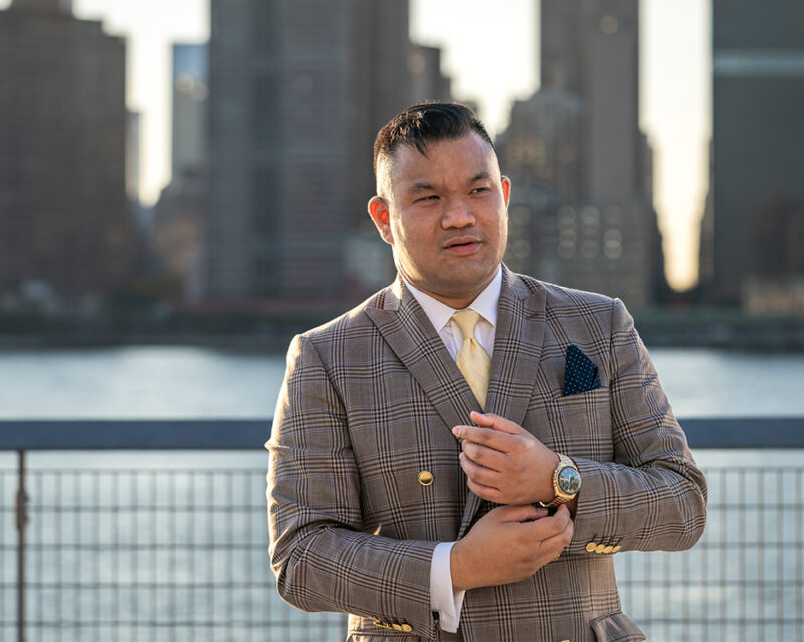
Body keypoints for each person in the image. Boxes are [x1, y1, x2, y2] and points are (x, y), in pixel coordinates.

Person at [267, 102, 707, 642]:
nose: (459, 216)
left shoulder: (598, 323)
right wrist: (456, 568)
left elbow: (683, 506)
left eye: (478, 191)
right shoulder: (329, 357)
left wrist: (558, 478)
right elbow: (300, 556)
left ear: (503, 196)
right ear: (385, 219)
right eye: (428, 197)